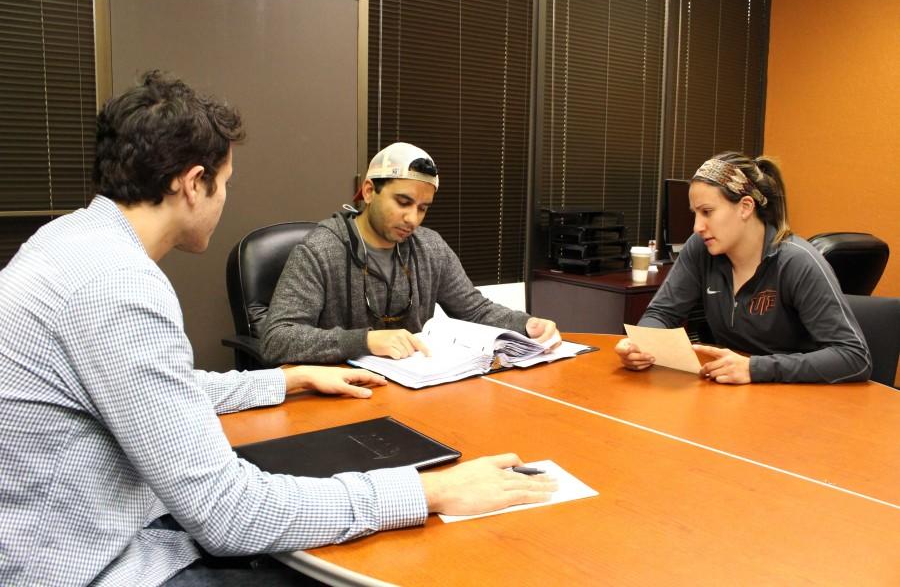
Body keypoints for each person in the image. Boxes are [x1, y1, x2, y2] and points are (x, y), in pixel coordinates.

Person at [0, 71, 556, 587]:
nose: (224, 199)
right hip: (87, 562)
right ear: (194, 183)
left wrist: (284, 382)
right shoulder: (117, 285)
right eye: (225, 184)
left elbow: (155, 391)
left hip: (74, 526)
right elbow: (228, 514)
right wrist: (429, 490)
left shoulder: (67, 242)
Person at [261, 141, 560, 364]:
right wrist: (363, 341)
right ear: (368, 191)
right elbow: (278, 339)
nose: (412, 219)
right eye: (403, 203)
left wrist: (525, 323)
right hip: (345, 391)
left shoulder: (429, 247)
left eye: (422, 208)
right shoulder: (321, 250)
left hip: (414, 385)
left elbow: (475, 309)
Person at [615, 152, 871, 384]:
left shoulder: (797, 262)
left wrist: (755, 368)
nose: (697, 227)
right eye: (695, 213)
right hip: (734, 393)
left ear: (746, 207)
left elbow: (854, 357)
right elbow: (662, 313)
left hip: (796, 398)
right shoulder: (700, 248)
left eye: (707, 212)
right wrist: (642, 347)